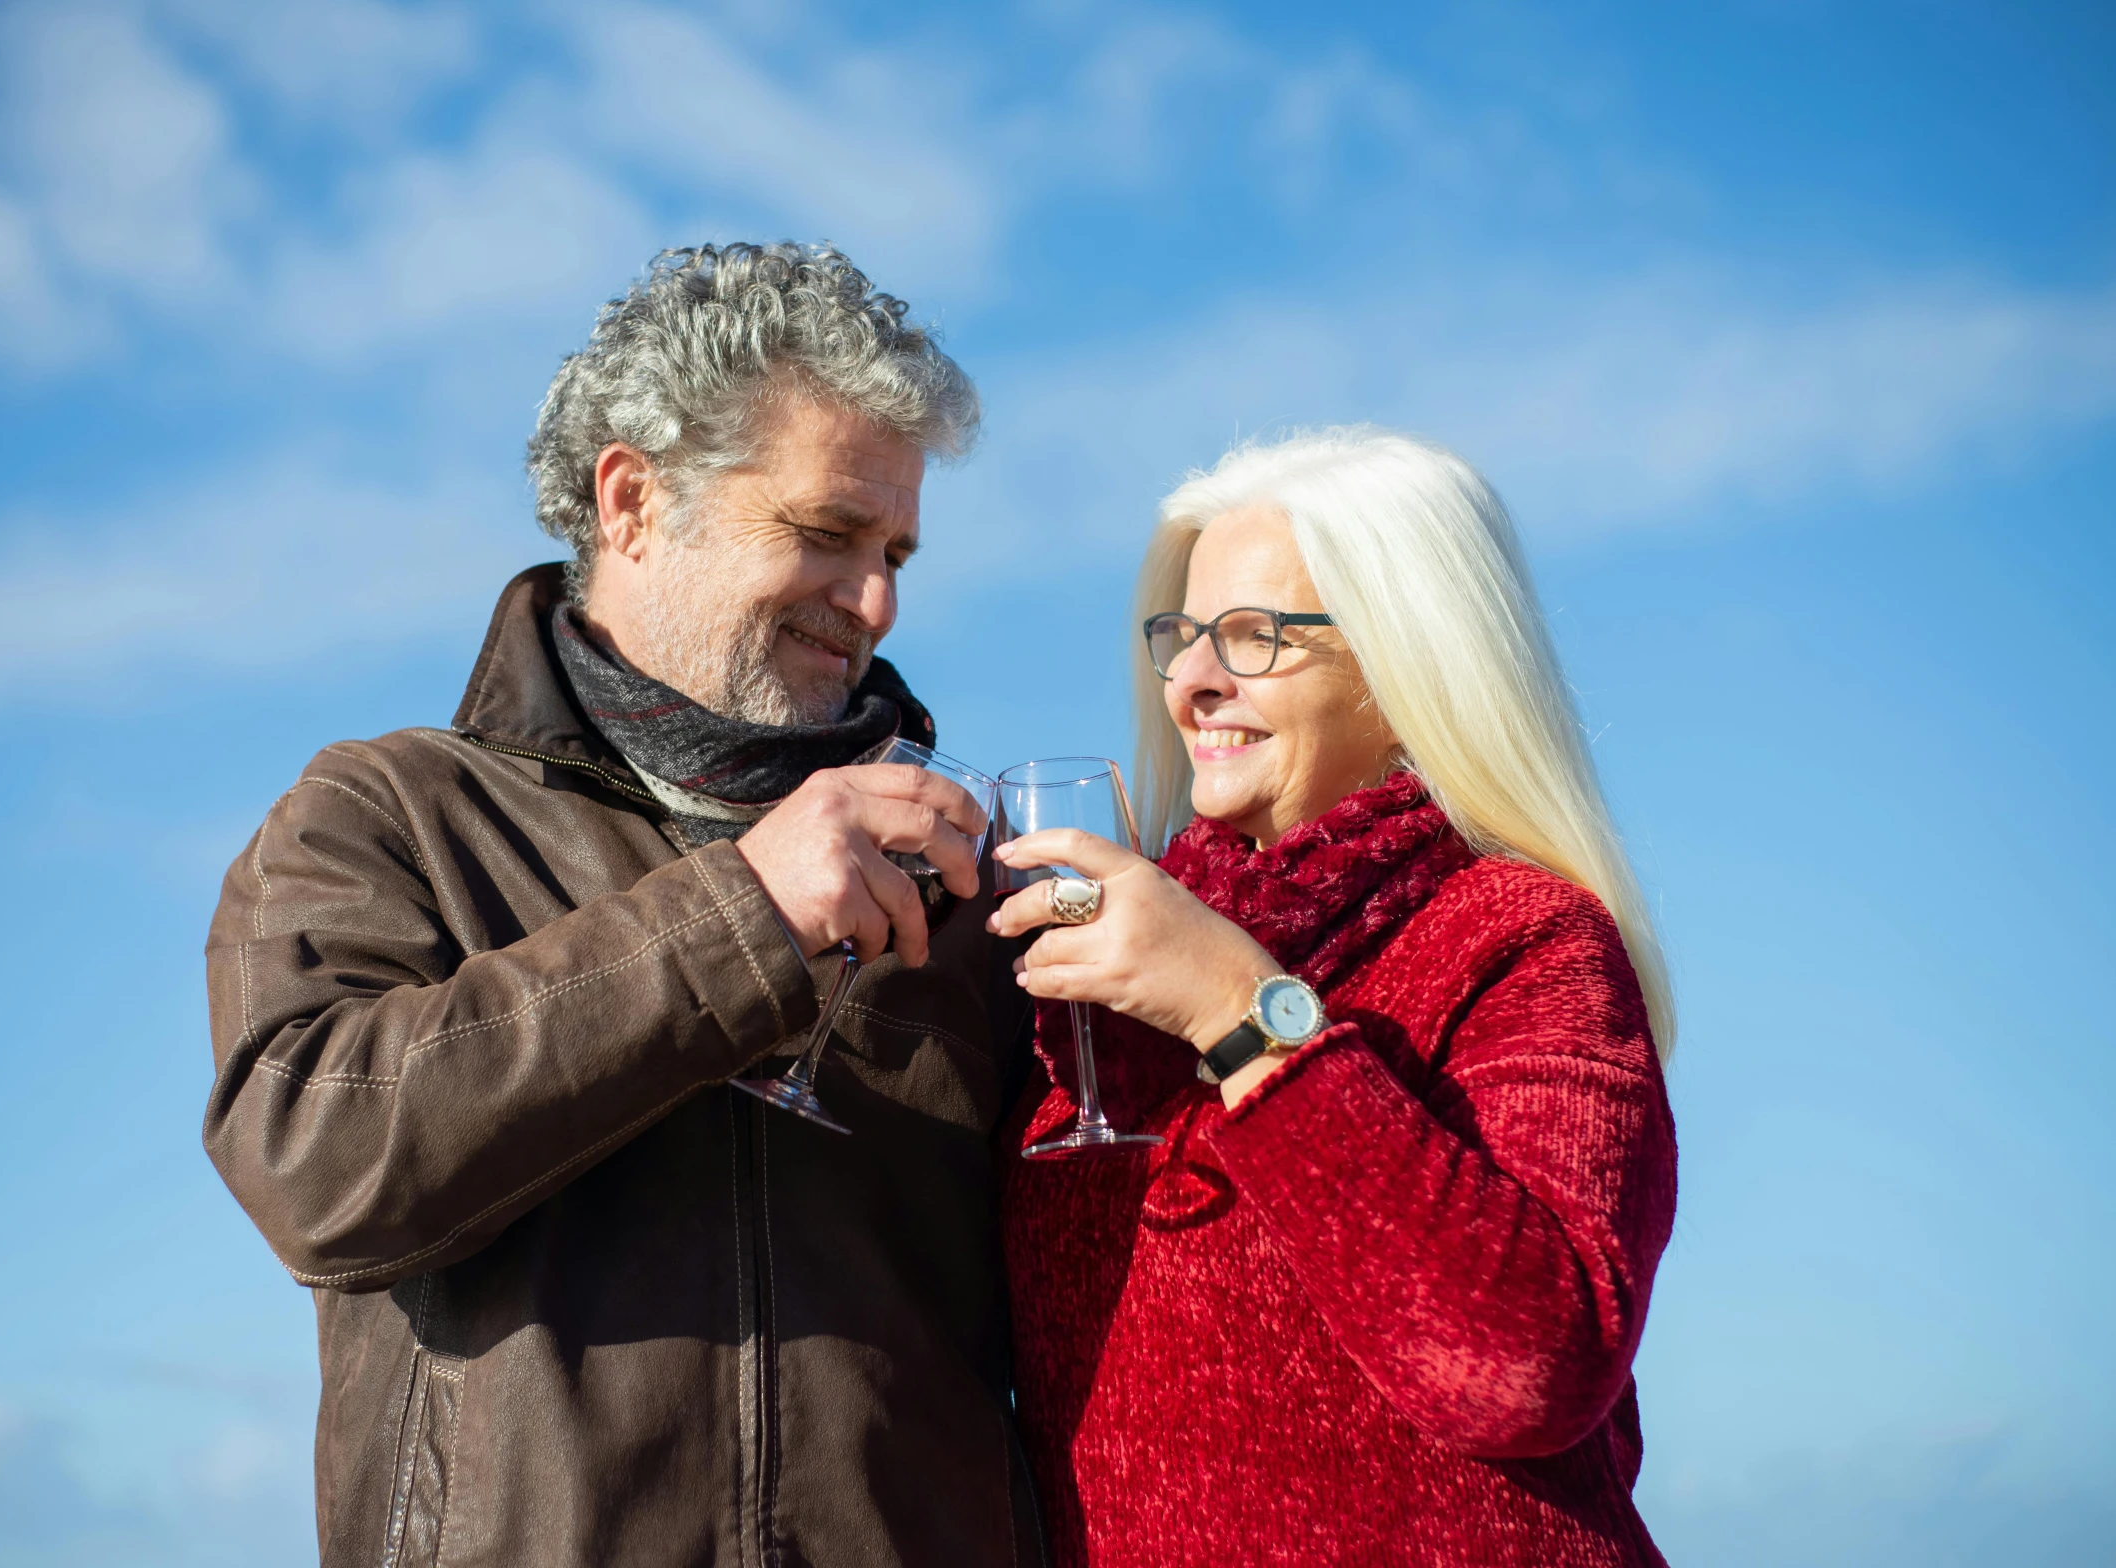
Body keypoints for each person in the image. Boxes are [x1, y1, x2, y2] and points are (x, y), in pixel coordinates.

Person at [203, 243, 1042, 1568]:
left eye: (895, 551)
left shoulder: (957, 877)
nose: (875, 601)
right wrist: (746, 914)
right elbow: (317, 1162)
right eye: (825, 534)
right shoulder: (386, 813)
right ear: (634, 500)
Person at [991, 427, 1679, 1566]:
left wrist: (1240, 1005)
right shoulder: (1103, 967)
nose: (1192, 680)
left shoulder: (1525, 936)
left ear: (1411, 664)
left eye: (1255, 637)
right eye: (1183, 636)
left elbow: (1528, 1367)